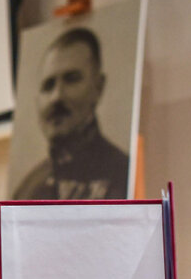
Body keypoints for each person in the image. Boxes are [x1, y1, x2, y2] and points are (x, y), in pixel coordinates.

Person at [13, 27, 129, 200]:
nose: (57, 97)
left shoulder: (124, 176)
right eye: (48, 85)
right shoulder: (27, 191)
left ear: (98, 87)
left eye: (71, 79)